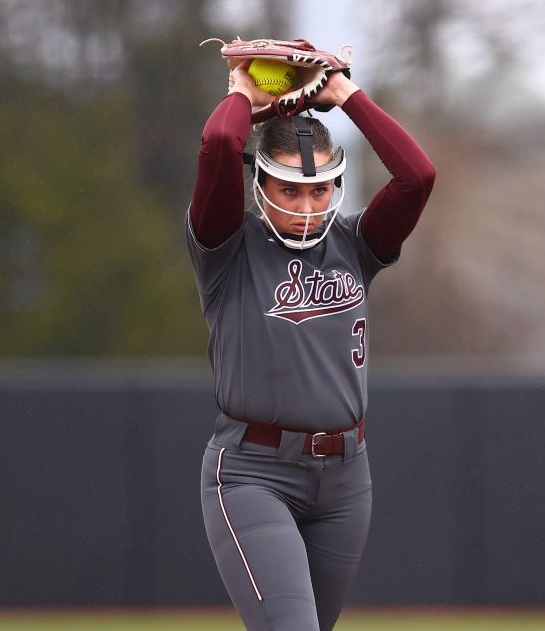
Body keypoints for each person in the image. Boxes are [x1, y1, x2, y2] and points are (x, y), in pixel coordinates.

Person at [186, 59, 435, 631]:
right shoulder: (227, 245)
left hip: (347, 481)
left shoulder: (356, 243)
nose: (306, 207)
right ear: (260, 185)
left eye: (319, 189)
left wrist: (346, 95)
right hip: (253, 474)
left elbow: (417, 177)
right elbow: (222, 140)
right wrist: (244, 95)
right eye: (289, 191)